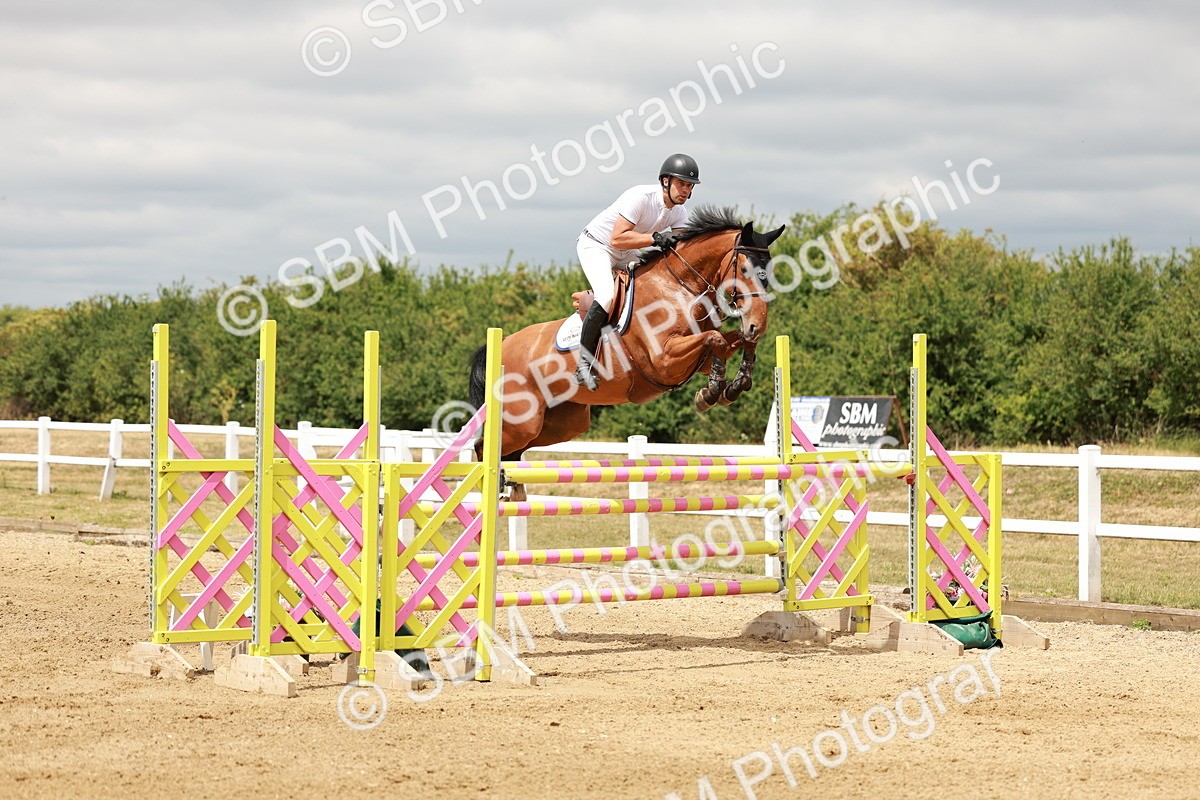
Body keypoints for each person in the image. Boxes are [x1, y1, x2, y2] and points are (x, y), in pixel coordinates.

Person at [573, 153, 700, 390]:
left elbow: (682, 250)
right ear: (665, 181)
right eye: (681, 184)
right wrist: (654, 238)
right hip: (598, 245)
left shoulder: (679, 213)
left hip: (628, 251)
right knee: (607, 296)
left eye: (689, 186)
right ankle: (583, 364)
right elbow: (617, 238)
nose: (685, 190)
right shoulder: (640, 197)